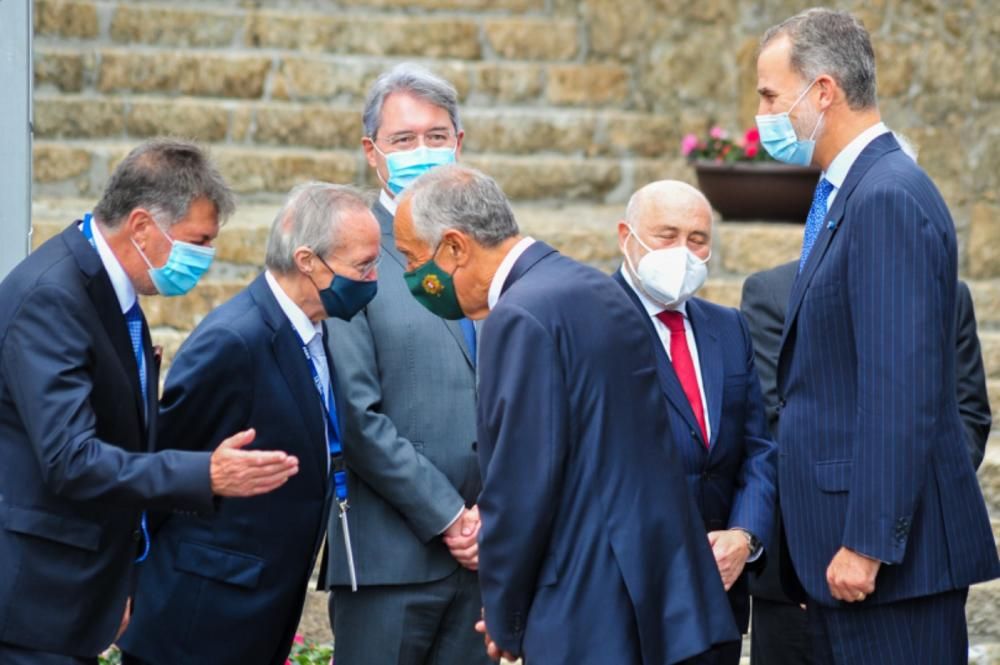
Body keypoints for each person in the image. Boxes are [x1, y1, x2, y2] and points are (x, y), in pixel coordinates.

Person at [393, 164, 739, 664]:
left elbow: (521, 483)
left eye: (411, 258)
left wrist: (507, 616)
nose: (412, 276)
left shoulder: (520, 315)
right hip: (660, 599)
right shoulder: (592, 286)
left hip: (585, 611)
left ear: (453, 248)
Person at [753, 9, 999, 663]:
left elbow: (900, 382)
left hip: (884, 568)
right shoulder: (854, 191)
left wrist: (867, 541)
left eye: (771, 95)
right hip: (848, 557)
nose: (764, 113)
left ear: (824, 90)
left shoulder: (886, 194)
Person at [0, 139, 300, 664]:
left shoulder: (105, 287)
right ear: (141, 227)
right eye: (197, 241)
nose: (204, 258)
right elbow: (72, 460)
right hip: (34, 600)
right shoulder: (54, 296)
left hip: (80, 594)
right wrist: (204, 474)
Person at [118, 183, 380, 665]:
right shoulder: (234, 340)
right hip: (198, 622)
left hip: (258, 608)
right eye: (362, 266)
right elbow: (161, 467)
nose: (372, 277)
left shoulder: (317, 329)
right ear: (308, 261)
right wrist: (128, 584)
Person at [740, 261, 994, 665]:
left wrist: (897, 514)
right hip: (804, 578)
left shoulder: (944, 290)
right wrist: (825, 553)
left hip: (919, 570)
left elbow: (968, 415)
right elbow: (777, 425)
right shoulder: (774, 291)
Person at [319, 63, 486, 665]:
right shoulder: (350, 253)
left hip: (486, 562)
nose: (423, 150)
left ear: (459, 144)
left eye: (437, 137)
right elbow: (358, 416)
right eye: (404, 139)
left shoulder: (485, 250)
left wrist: (492, 515)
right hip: (389, 560)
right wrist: (450, 518)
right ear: (372, 152)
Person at [611, 180, 777, 665]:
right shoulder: (589, 319)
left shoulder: (727, 327)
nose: (683, 251)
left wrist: (744, 536)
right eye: (667, 235)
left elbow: (758, 446)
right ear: (627, 235)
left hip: (716, 596)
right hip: (625, 595)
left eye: (697, 239)